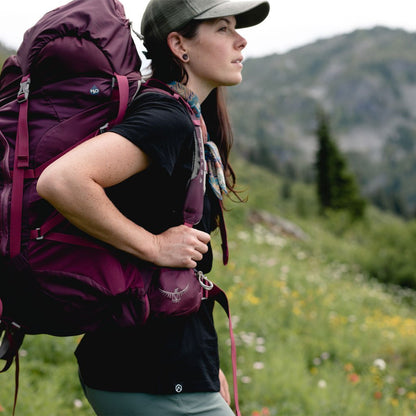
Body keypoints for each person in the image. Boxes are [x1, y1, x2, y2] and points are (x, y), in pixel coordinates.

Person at [36, 0, 270, 414]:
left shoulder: (187, 118)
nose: (241, 40)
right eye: (222, 29)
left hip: (158, 365)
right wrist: (153, 246)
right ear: (179, 45)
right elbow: (62, 180)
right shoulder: (168, 117)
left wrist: (205, 367)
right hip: (155, 375)